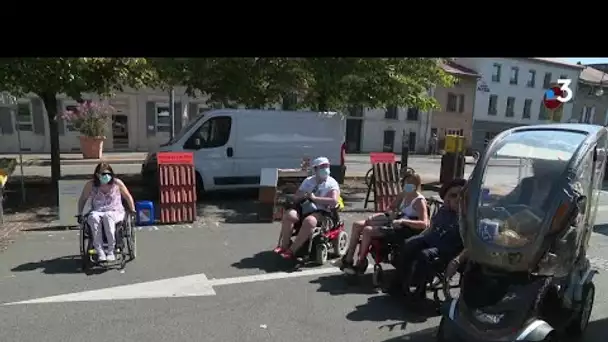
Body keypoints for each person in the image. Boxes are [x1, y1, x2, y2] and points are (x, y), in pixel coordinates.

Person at [340, 172, 430, 275]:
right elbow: (391, 207)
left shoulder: (419, 201)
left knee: (367, 230)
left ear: (417, 184)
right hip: (393, 222)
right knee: (357, 225)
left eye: (412, 182)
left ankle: (361, 263)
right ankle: (348, 259)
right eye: (407, 181)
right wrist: (392, 212)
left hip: (404, 228)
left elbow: (424, 224)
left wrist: (403, 221)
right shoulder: (403, 194)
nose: (408, 184)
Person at [389, 178, 466, 297]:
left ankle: (420, 290)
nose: (457, 199)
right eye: (453, 195)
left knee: (424, 255)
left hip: (446, 248)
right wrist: (417, 238)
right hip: (431, 239)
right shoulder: (443, 211)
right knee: (409, 244)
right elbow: (430, 228)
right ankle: (399, 283)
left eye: (460, 196)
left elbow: (468, 242)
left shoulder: (466, 217)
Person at [274, 156, 340, 260]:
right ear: (315, 169)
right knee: (289, 215)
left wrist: (315, 198)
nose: (325, 169)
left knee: (309, 221)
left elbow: (334, 201)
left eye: (327, 166)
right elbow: (296, 197)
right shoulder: (309, 181)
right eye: (322, 167)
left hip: (322, 211)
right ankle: (284, 246)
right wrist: (303, 196)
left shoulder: (332, 183)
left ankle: (292, 250)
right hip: (305, 207)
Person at [77, 163, 136, 262]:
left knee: (108, 217)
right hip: (98, 211)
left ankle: (111, 250)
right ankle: (100, 252)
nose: (106, 176)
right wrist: (80, 213)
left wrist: (132, 210)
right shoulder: (91, 185)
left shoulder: (117, 183)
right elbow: (83, 199)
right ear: (97, 174)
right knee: (93, 218)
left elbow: (127, 196)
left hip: (115, 211)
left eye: (108, 173)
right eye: (103, 174)